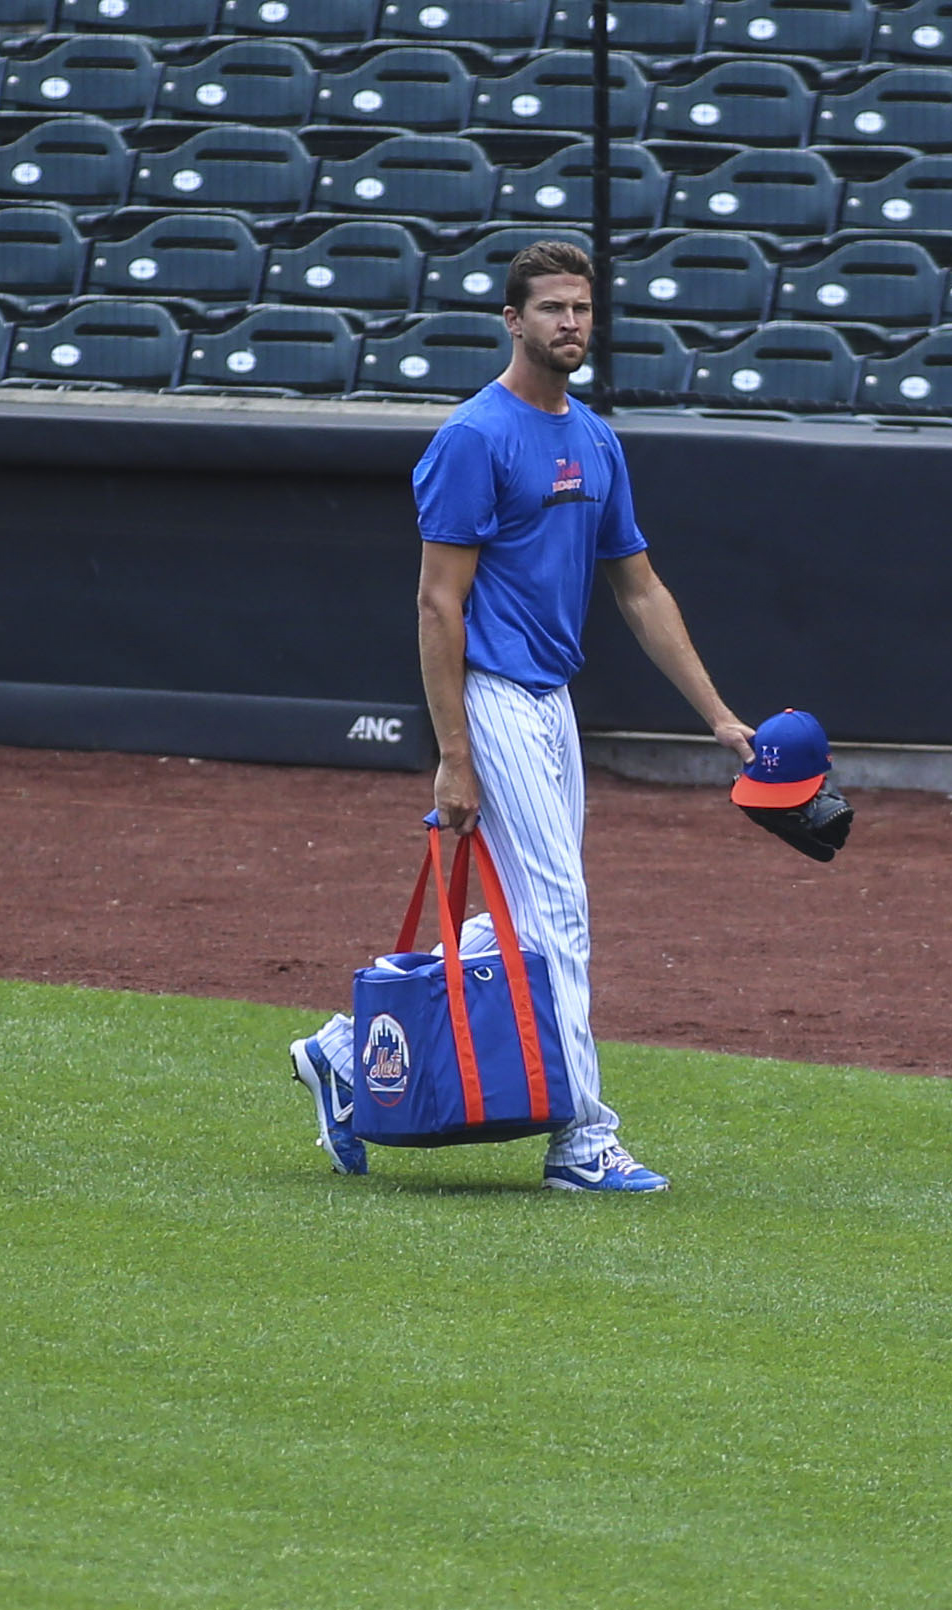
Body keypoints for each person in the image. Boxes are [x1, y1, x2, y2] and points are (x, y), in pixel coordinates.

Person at [292, 240, 752, 1194]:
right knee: (559, 915)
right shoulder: (472, 438)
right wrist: (453, 755)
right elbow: (436, 605)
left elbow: (640, 590)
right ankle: (582, 1136)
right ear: (512, 320)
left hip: (552, 703)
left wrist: (717, 717)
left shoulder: (595, 438)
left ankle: (345, 1049)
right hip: (493, 699)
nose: (569, 325)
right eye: (550, 309)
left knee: (516, 922)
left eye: (581, 309)